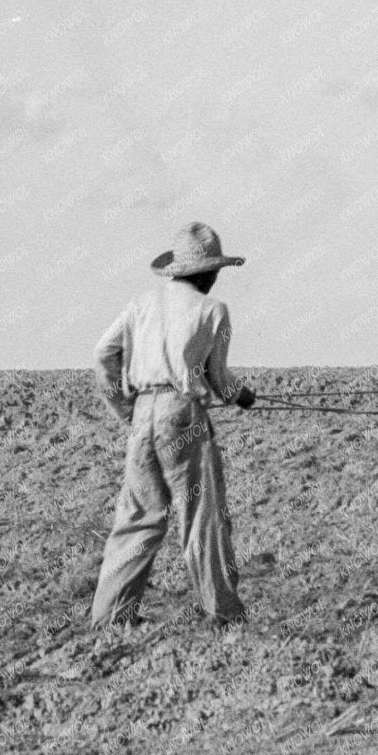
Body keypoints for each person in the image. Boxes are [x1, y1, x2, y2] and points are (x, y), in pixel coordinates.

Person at [89, 223, 256, 629]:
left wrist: (125, 408)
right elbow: (217, 377)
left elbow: (103, 354)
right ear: (209, 273)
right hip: (183, 414)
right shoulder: (213, 311)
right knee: (200, 513)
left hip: (142, 410)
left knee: (138, 515)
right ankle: (222, 611)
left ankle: (111, 616)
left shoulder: (141, 303)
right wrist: (242, 396)